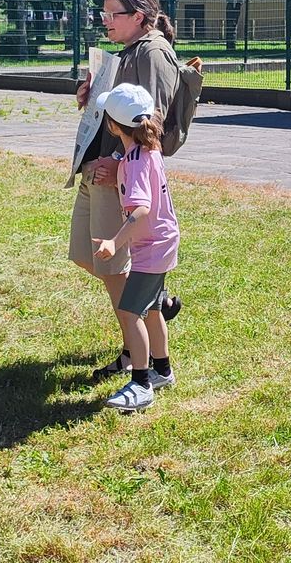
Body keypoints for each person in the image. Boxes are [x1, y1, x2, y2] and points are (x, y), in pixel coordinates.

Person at [73, 0, 184, 381]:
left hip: (115, 176)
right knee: (87, 255)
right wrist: (92, 96)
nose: (105, 20)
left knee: (112, 268)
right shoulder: (128, 50)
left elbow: (150, 120)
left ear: (138, 16)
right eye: (103, 13)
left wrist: (119, 162)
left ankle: (136, 353)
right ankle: (154, 298)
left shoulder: (153, 52)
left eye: (112, 14)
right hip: (98, 169)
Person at [90, 83, 181, 413]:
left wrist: (114, 242)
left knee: (131, 312)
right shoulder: (147, 150)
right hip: (161, 243)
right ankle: (163, 371)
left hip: (152, 248)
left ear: (114, 126)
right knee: (152, 309)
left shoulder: (136, 161)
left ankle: (141, 384)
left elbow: (141, 209)